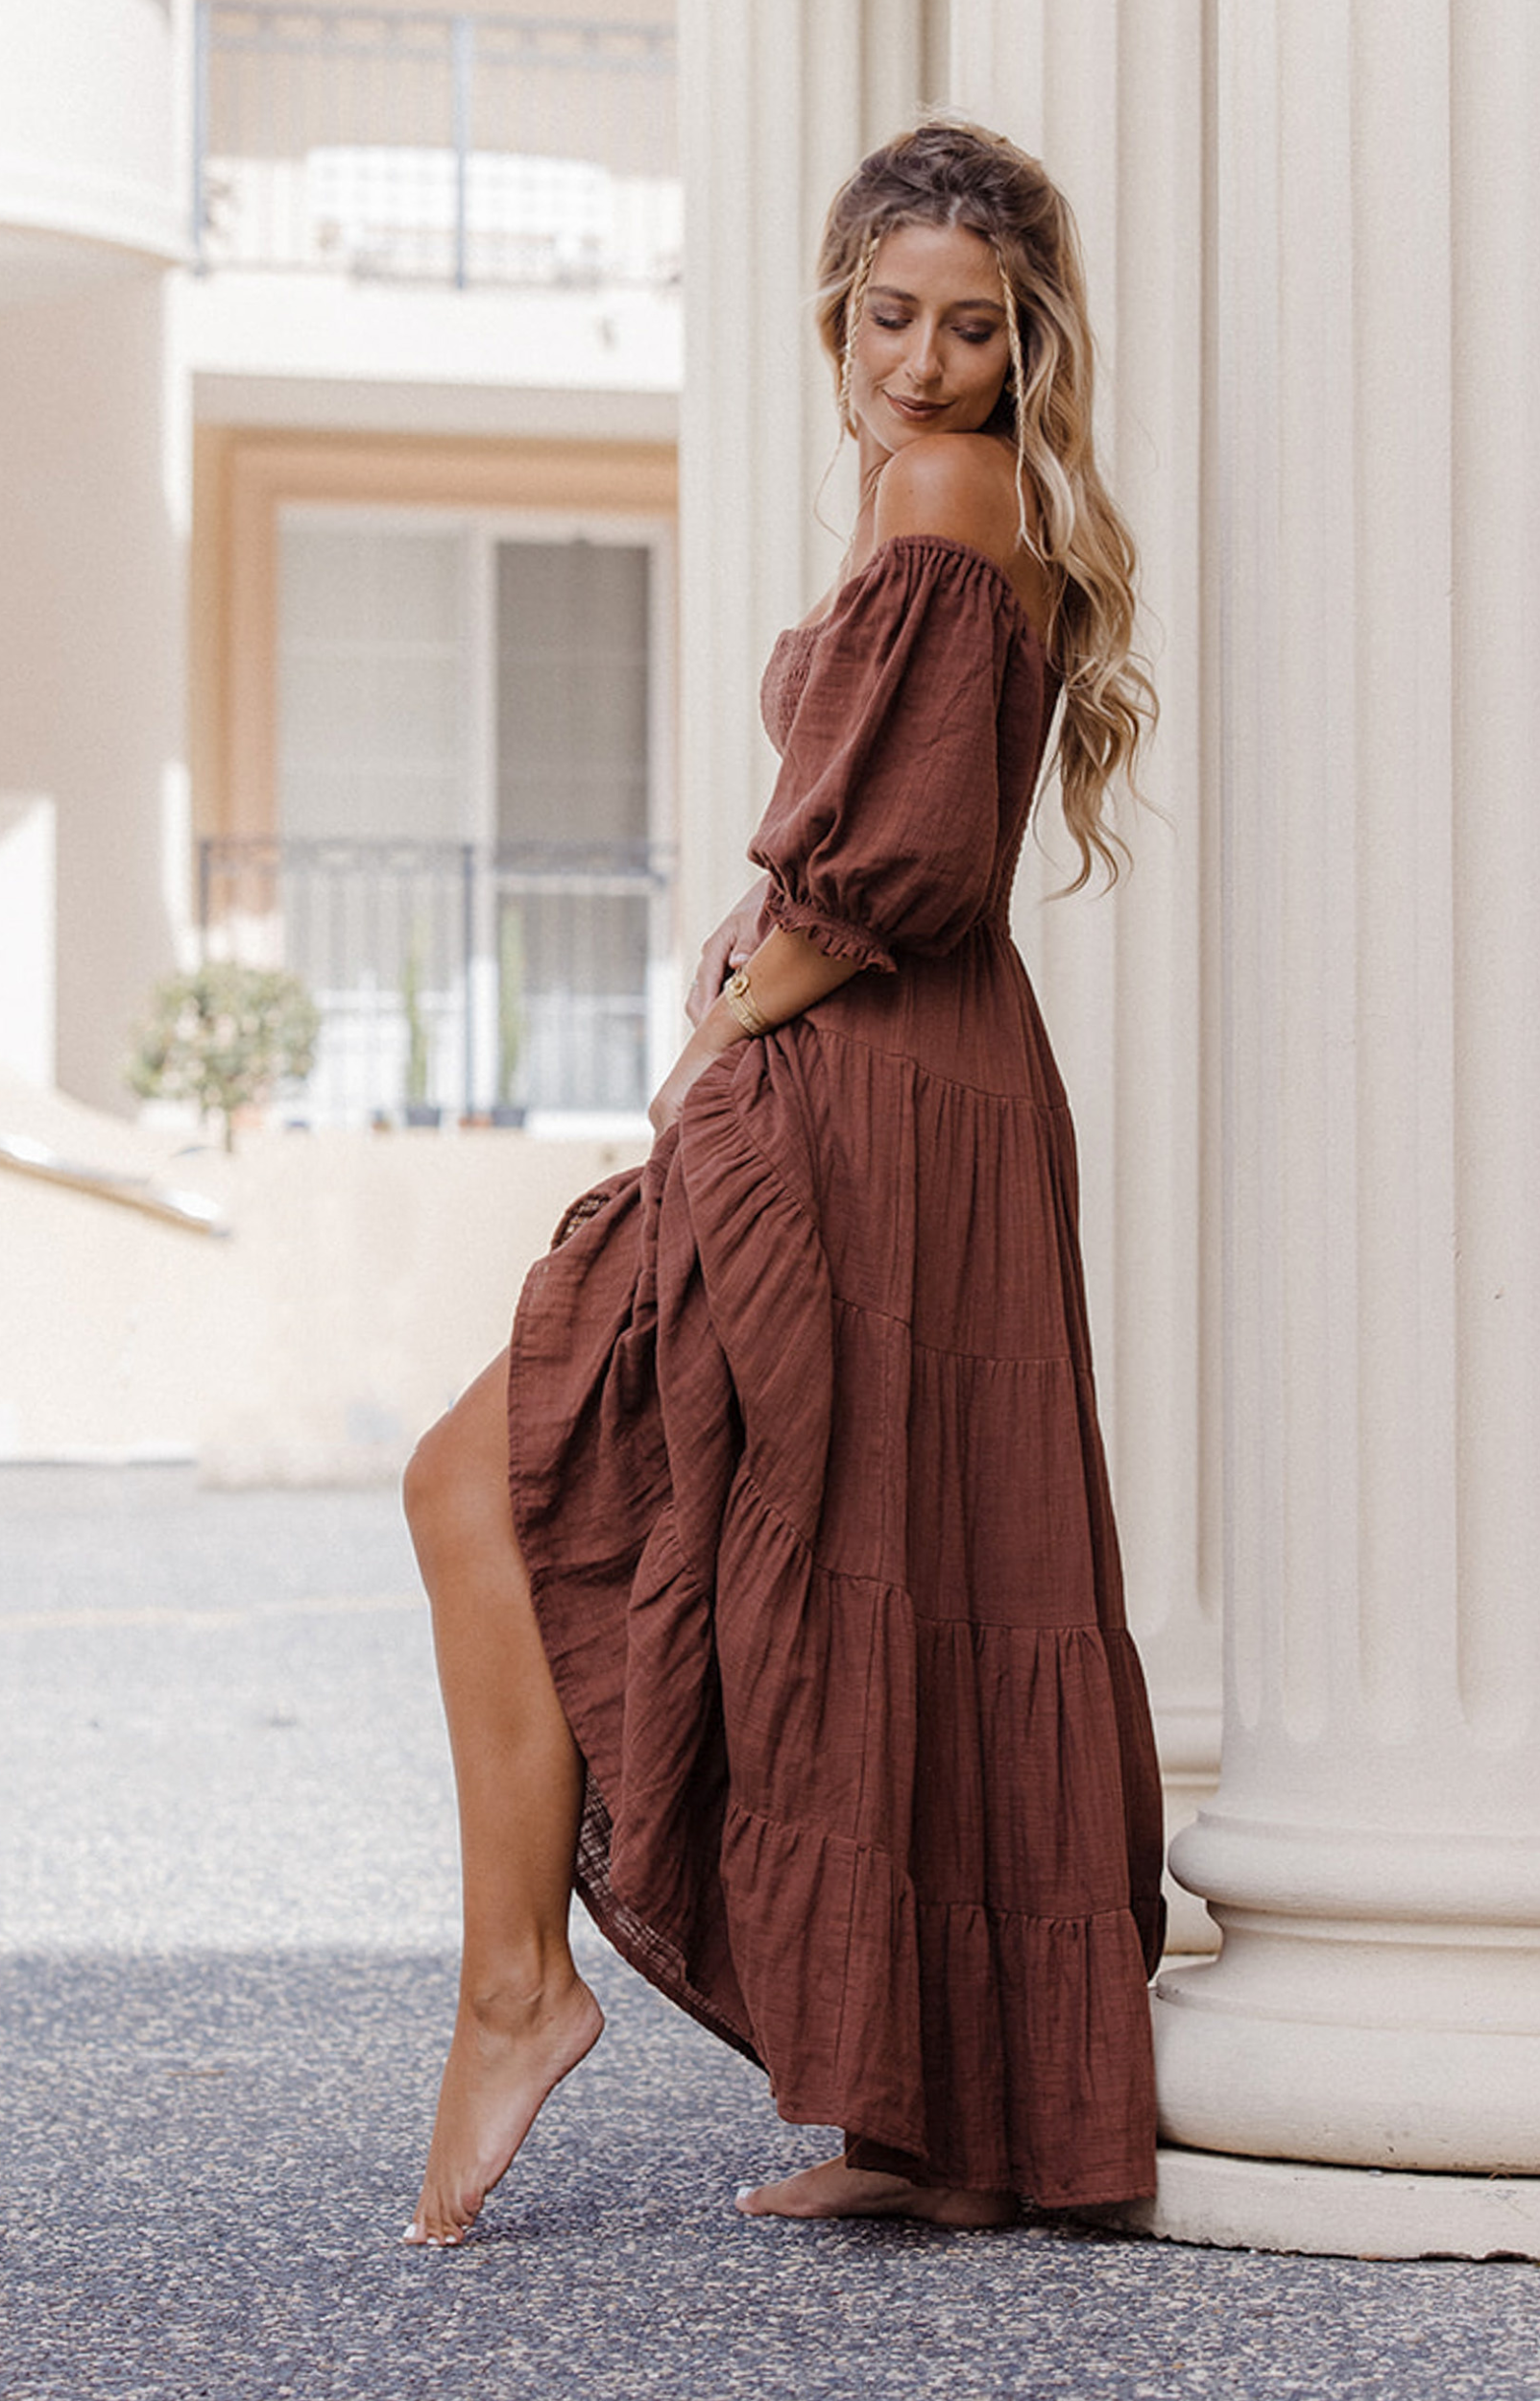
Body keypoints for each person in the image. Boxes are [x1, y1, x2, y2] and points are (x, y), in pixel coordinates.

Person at [400, 117, 1165, 2247]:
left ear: (1031, 351)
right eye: (895, 316)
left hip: (863, 1095)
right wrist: (757, 970)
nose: (926, 364)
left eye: (977, 330)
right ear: (837, 315)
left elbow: (896, 871)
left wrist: (734, 1010)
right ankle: (938, 2119)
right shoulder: (939, 497)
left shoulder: (945, 495)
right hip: (915, 1097)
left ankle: (516, 1987)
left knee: (489, 1468)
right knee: (885, 1536)